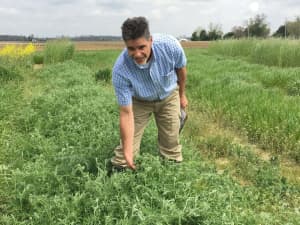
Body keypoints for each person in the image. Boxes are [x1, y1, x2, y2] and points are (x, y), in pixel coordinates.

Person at [111, 16, 188, 170]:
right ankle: (119, 178)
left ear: (151, 40)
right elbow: (126, 113)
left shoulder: (170, 46)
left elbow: (181, 69)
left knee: (171, 143)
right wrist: (128, 151)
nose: (137, 54)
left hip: (168, 96)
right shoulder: (120, 70)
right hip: (140, 101)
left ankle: (172, 175)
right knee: (124, 157)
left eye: (142, 47)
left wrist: (181, 95)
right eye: (131, 49)